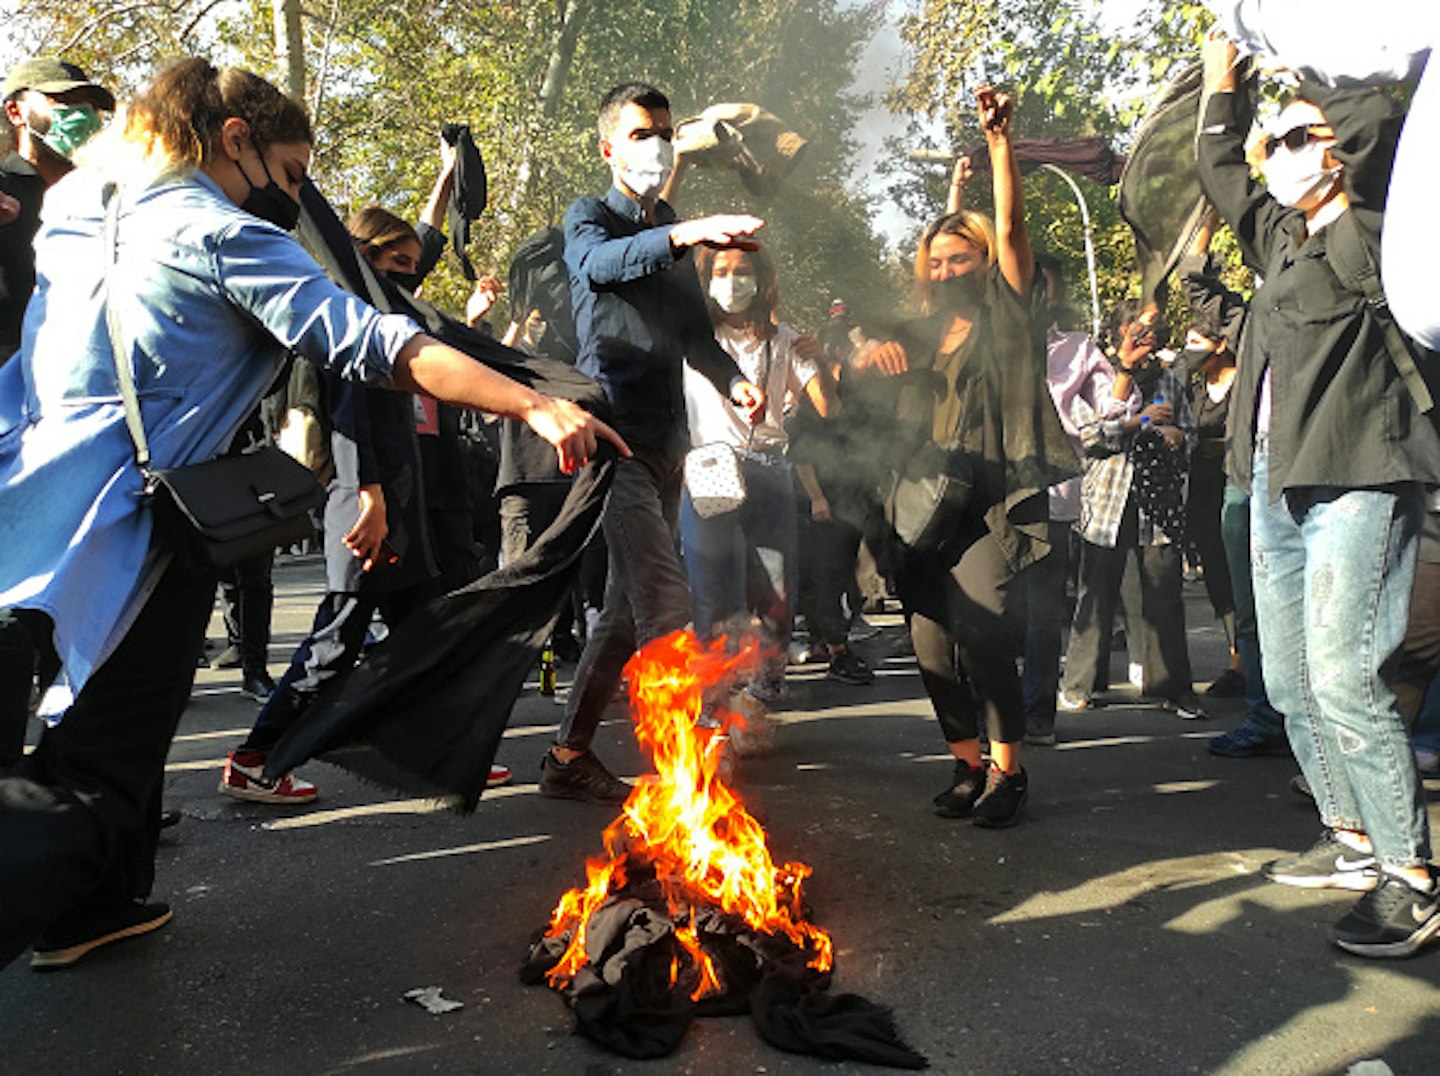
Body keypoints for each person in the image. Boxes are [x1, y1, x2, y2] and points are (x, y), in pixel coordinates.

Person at [0, 58, 623, 971]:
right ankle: (64, 898)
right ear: (236, 140)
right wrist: (533, 403)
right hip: (128, 534)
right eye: (291, 176)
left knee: (68, 733)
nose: (296, 200)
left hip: (26, 515)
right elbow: (383, 344)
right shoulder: (217, 231)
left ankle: (88, 913)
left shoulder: (84, 217)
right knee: (96, 776)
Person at [1199, 31, 1440, 957]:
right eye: (1278, 141)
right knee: (1291, 674)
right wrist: (1226, 87)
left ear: (1337, 150)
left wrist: (1306, 70)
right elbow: (1221, 168)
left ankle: (1410, 877)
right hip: (1274, 477)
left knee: (1347, 675)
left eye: (1298, 140)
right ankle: (1348, 835)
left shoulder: (1377, 228)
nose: (1278, 154)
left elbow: (1382, 115)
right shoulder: (1282, 244)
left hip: (1358, 471)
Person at [220, 204, 511, 803]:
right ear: (367, 261)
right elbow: (350, 421)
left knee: (424, 644)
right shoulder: (356, 324)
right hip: (367, 512)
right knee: (333, 646)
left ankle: (445, 756)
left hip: (397, 512)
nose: (409, 274)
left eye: (412, 265)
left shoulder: (388, 318)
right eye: (397, 264)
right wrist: (370, 501)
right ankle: (252, 758)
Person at [540, 81, 766, 803]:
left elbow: (696, 337)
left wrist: (733, 382)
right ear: (609, 147)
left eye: (664, 131)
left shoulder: (671, 227)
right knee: (667, 601)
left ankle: (569, 753)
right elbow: (598, 267)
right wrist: (684, 234)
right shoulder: (591, 220)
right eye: (641, 133)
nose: (657, 144)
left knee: (623, 612)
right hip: (613, 441)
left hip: (669, 444)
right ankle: (688, 781)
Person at [858, 87, 1076, 828]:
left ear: (987, 262)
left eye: (962, 257)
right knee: (929, 645)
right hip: (922, 505)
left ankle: (1008, 772)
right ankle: (965, 763)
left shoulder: (1010, 316)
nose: (948, 269)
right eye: (938, 260)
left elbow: (1012, 224)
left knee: (983, 635)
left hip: (987, 504)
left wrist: (999, 146)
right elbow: (859, 381)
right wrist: (869, 356)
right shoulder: (917, 333)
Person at [0, 57, 115, 771]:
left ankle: (88, 783)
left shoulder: (107, 195)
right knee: (14, 620)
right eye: (63, 101)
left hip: (94, 435)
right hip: (15, 436)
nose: (81, 116)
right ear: (18, 110)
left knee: (92, 618)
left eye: (91, 105)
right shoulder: (5, 190)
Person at [681, 244, 835, 718]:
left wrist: (823, 362)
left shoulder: (786, 339)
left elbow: (829, 410)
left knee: (776, 593)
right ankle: (713, 709)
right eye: (721, 271)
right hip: (708, 473)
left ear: (761, 278)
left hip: (768, 470)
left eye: (742, 271)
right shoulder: (692, 338)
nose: (732, 280)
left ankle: (763, 697)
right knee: (711, 596)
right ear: (706, 280)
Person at [1059, 301, 1207, 720]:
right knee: (1094, 596)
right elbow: (1089, 436)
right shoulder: (1098, 375)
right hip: (1107, 501)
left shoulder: (1170, 378)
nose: (1145, 341)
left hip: (1158, 503)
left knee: (1164, 596)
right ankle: (1079, 684)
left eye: (1152, 334)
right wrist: (1139, 421)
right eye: (1136, 333)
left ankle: (1173, 688)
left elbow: (1191, 437)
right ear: (1117, 335)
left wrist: (1177, 435)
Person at [1020, 254, 1120, 746]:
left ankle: (1037, 715)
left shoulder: (1078, 349)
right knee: (988, 610)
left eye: (1050, 287)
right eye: (1034, 285)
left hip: (1054, 496)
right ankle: (986, 717)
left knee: (1042, 612)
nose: (1042, 295)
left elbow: (1115, 411)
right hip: (994, 493)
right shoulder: (986, 339)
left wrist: (1129, 368)